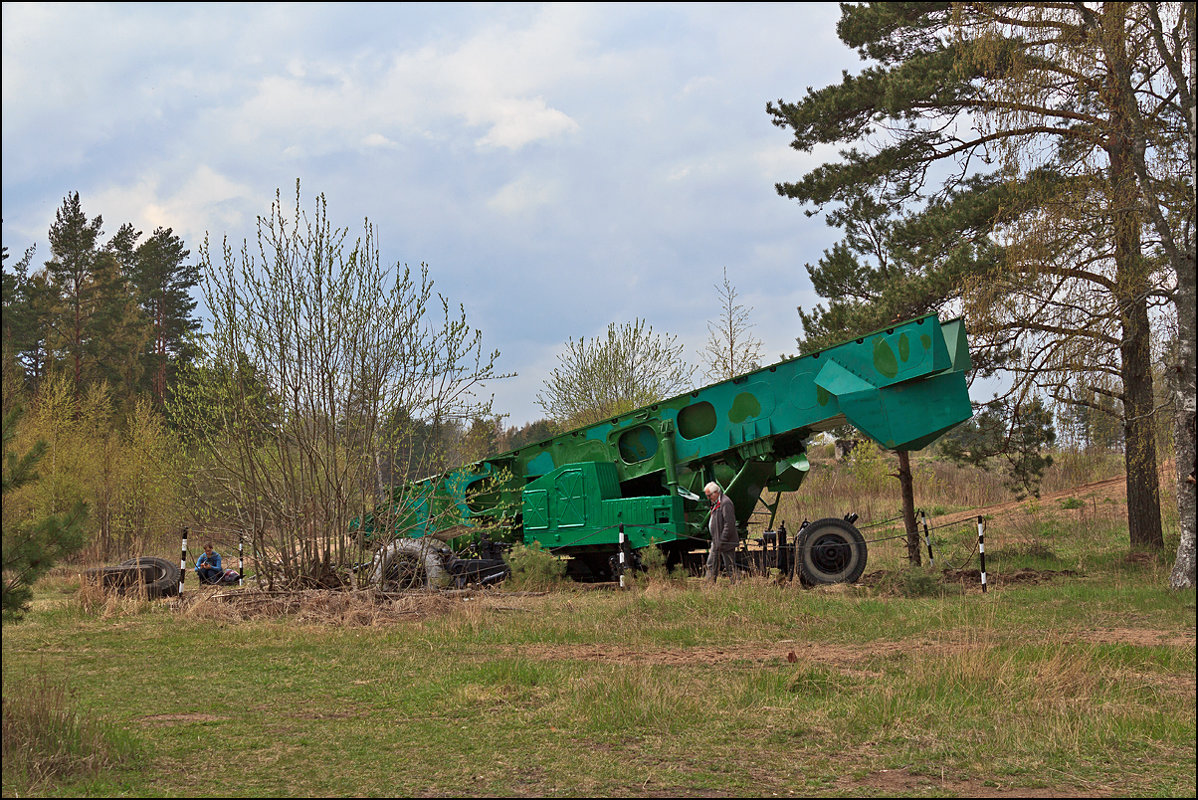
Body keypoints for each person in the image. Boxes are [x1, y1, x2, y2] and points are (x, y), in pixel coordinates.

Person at [704, 482, 737, 583]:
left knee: (730, 567)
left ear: (716, 492)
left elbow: (729, 524)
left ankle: (737, 586)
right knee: (710, 564)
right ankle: (709, 585)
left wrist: (722, 540)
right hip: (716, 540)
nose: (709, 498)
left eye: (709, 495)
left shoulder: (725, 502)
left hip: (726, 542)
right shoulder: (716, 503)